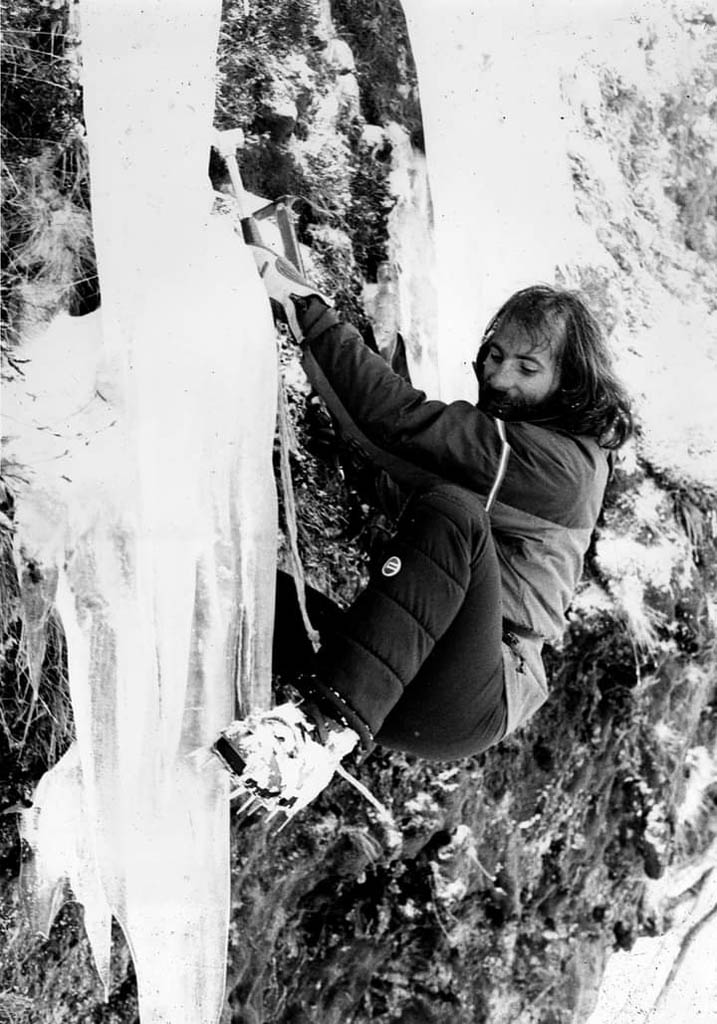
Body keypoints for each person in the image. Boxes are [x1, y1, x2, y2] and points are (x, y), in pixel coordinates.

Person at [213, 248, 633, 821]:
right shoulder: (526, 453)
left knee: (452, 513)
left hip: (476, 688)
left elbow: (402, 428)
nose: (499, 376)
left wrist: (306, 310)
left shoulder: (559, 467)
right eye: (495, 355)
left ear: (571, 384)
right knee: (243, 594)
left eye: (528, 368)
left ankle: (314, 734)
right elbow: (396, 474)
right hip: (410, 685)